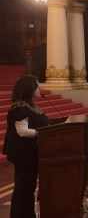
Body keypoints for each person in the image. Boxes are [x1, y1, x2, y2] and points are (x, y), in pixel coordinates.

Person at [3, 75, 49, 218]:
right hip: (24, 154)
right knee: (24, 186)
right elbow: (22, 131)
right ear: (30, 89)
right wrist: (41, 133)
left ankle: (27, 214)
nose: (39, 88)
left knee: (28, 187)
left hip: (31, 152)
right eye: (37, 85)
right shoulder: (20, 107)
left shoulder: (30, 105)